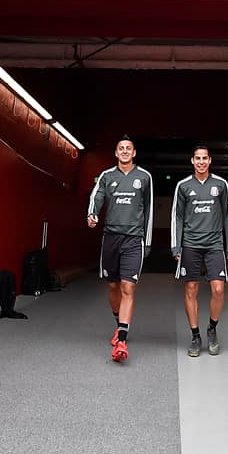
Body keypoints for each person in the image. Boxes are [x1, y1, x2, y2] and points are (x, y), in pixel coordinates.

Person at [87, 136, 154, 362]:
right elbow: (97, 196)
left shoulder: (144, 177)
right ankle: (119, 324)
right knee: (114, 286)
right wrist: (92, 213)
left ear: (134, 153)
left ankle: (122, 340)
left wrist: (148, 241)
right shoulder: (107, 176)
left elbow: (150, 209)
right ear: (116, 153)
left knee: (128, 287)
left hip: (134, 238)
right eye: (121, 149)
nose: (125, 151)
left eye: (128, 148)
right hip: (111, 238)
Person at [171, 145, 228, 357]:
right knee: (191, 289)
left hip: (215, 244)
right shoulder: (183, 186)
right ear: (192, 161)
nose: (201, 162)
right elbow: (177, 217)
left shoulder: (221, 184)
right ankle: (196, 336)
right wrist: (176, 245)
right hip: (190, 244)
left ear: (209, 161)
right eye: (197, 158)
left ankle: (212, 329)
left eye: (204, 158)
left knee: (218, 289)